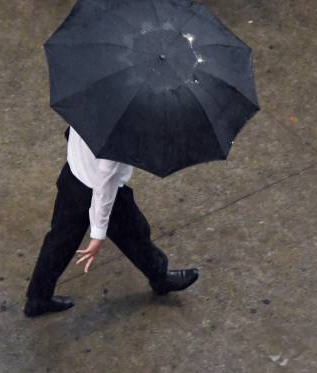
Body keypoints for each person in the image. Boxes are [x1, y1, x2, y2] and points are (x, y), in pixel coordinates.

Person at [24, 126, 199, 317]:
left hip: (72, 176)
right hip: (95, 191)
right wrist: (98, 234)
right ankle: (160, 277)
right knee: (135, 233)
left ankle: (38, 298)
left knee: (58, 243)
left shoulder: (90, 103)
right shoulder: (118, 134)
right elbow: (105, 186)